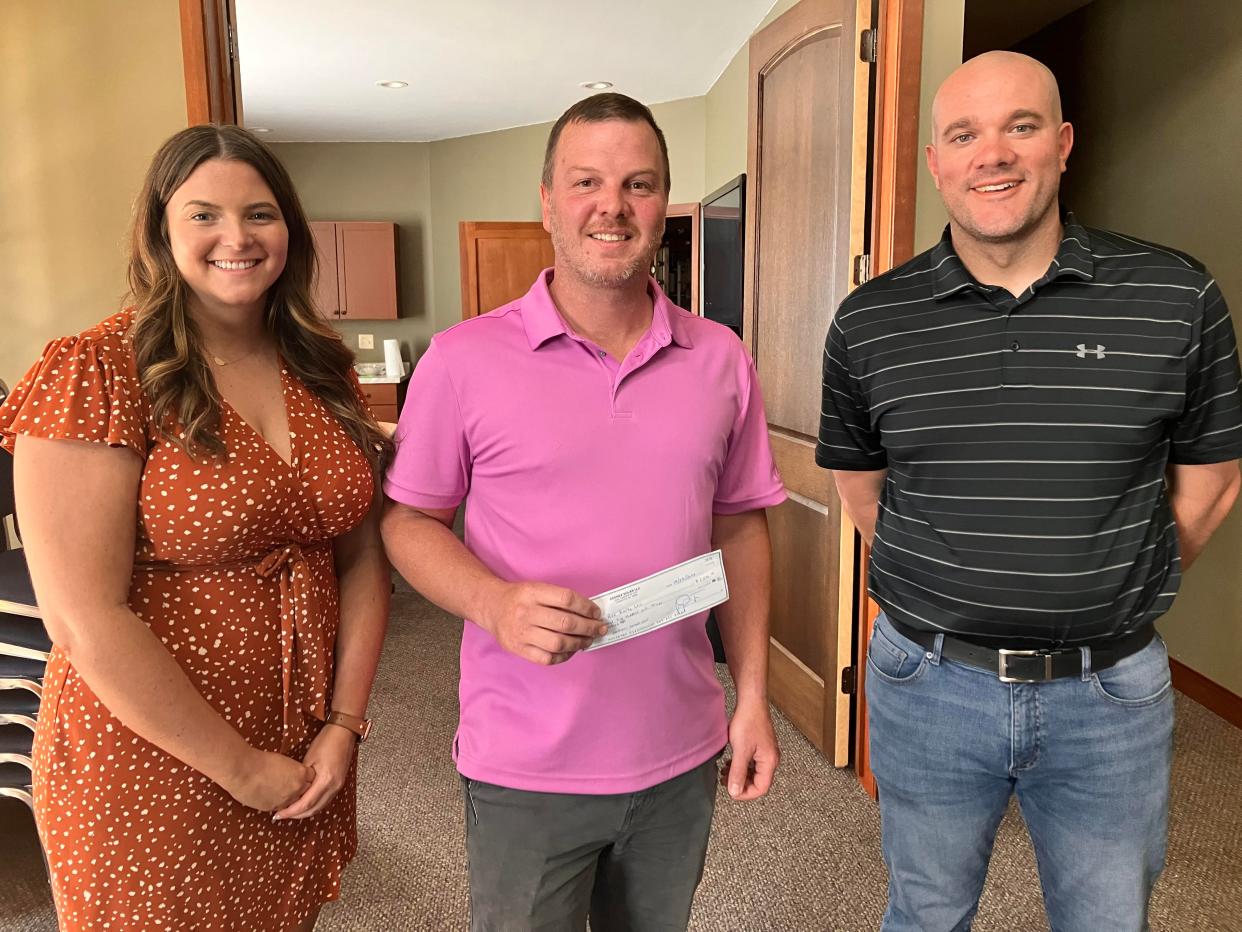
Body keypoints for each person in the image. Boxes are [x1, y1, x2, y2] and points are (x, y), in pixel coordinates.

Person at [817, 50, 1242, 931]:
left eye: (1021, 126)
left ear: (1063, 142)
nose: (993, 155)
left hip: (1110, 692)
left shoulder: (1176, 294)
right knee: (926, 912)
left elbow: (1210, 479)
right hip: (927, 680)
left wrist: (1108, 583)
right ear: (936, 161)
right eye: (965, 134)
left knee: (1106, 917)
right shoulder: (869, 320)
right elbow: (865, 499)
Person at [381, 93, 786, 931]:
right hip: (527, 762)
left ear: (663, 203)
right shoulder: (461, 361)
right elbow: (406, 524)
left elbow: (742, 526)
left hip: (679, 749)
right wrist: (493, 603)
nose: (613, 205)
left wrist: (751, 696)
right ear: (548, 202)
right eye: (586, 182)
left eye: (639, 184)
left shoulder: (720, 359)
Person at [1, 124, 392, 931]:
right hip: (153, 753)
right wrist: (240, 770)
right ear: (160, 230)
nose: (237, 237)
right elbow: (82, 617)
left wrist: (343, 725)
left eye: (261, 213)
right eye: (204, 214)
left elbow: (360, 559)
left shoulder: (322, 365)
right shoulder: (99, 369)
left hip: (301, 737)